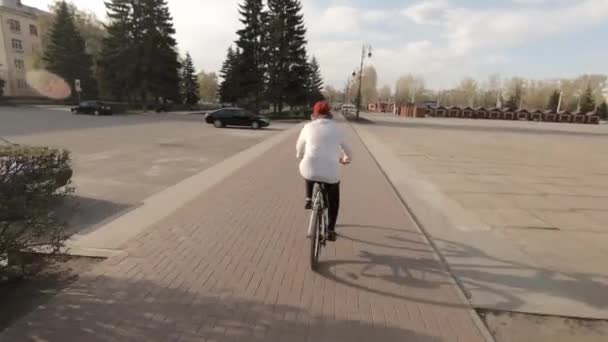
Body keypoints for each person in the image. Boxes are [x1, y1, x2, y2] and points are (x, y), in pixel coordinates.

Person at [296, 101, 352, 241]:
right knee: (334, 199)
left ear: (315, 114)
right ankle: (331, 230)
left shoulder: (307, 127)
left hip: (309, 169)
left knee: (308, 167)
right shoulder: (337, 128)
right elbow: (348, 150)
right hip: (331, 173)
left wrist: (300, 155)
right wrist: (346, 159)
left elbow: (299, 146)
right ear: (329, 114)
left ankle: (309, 198)